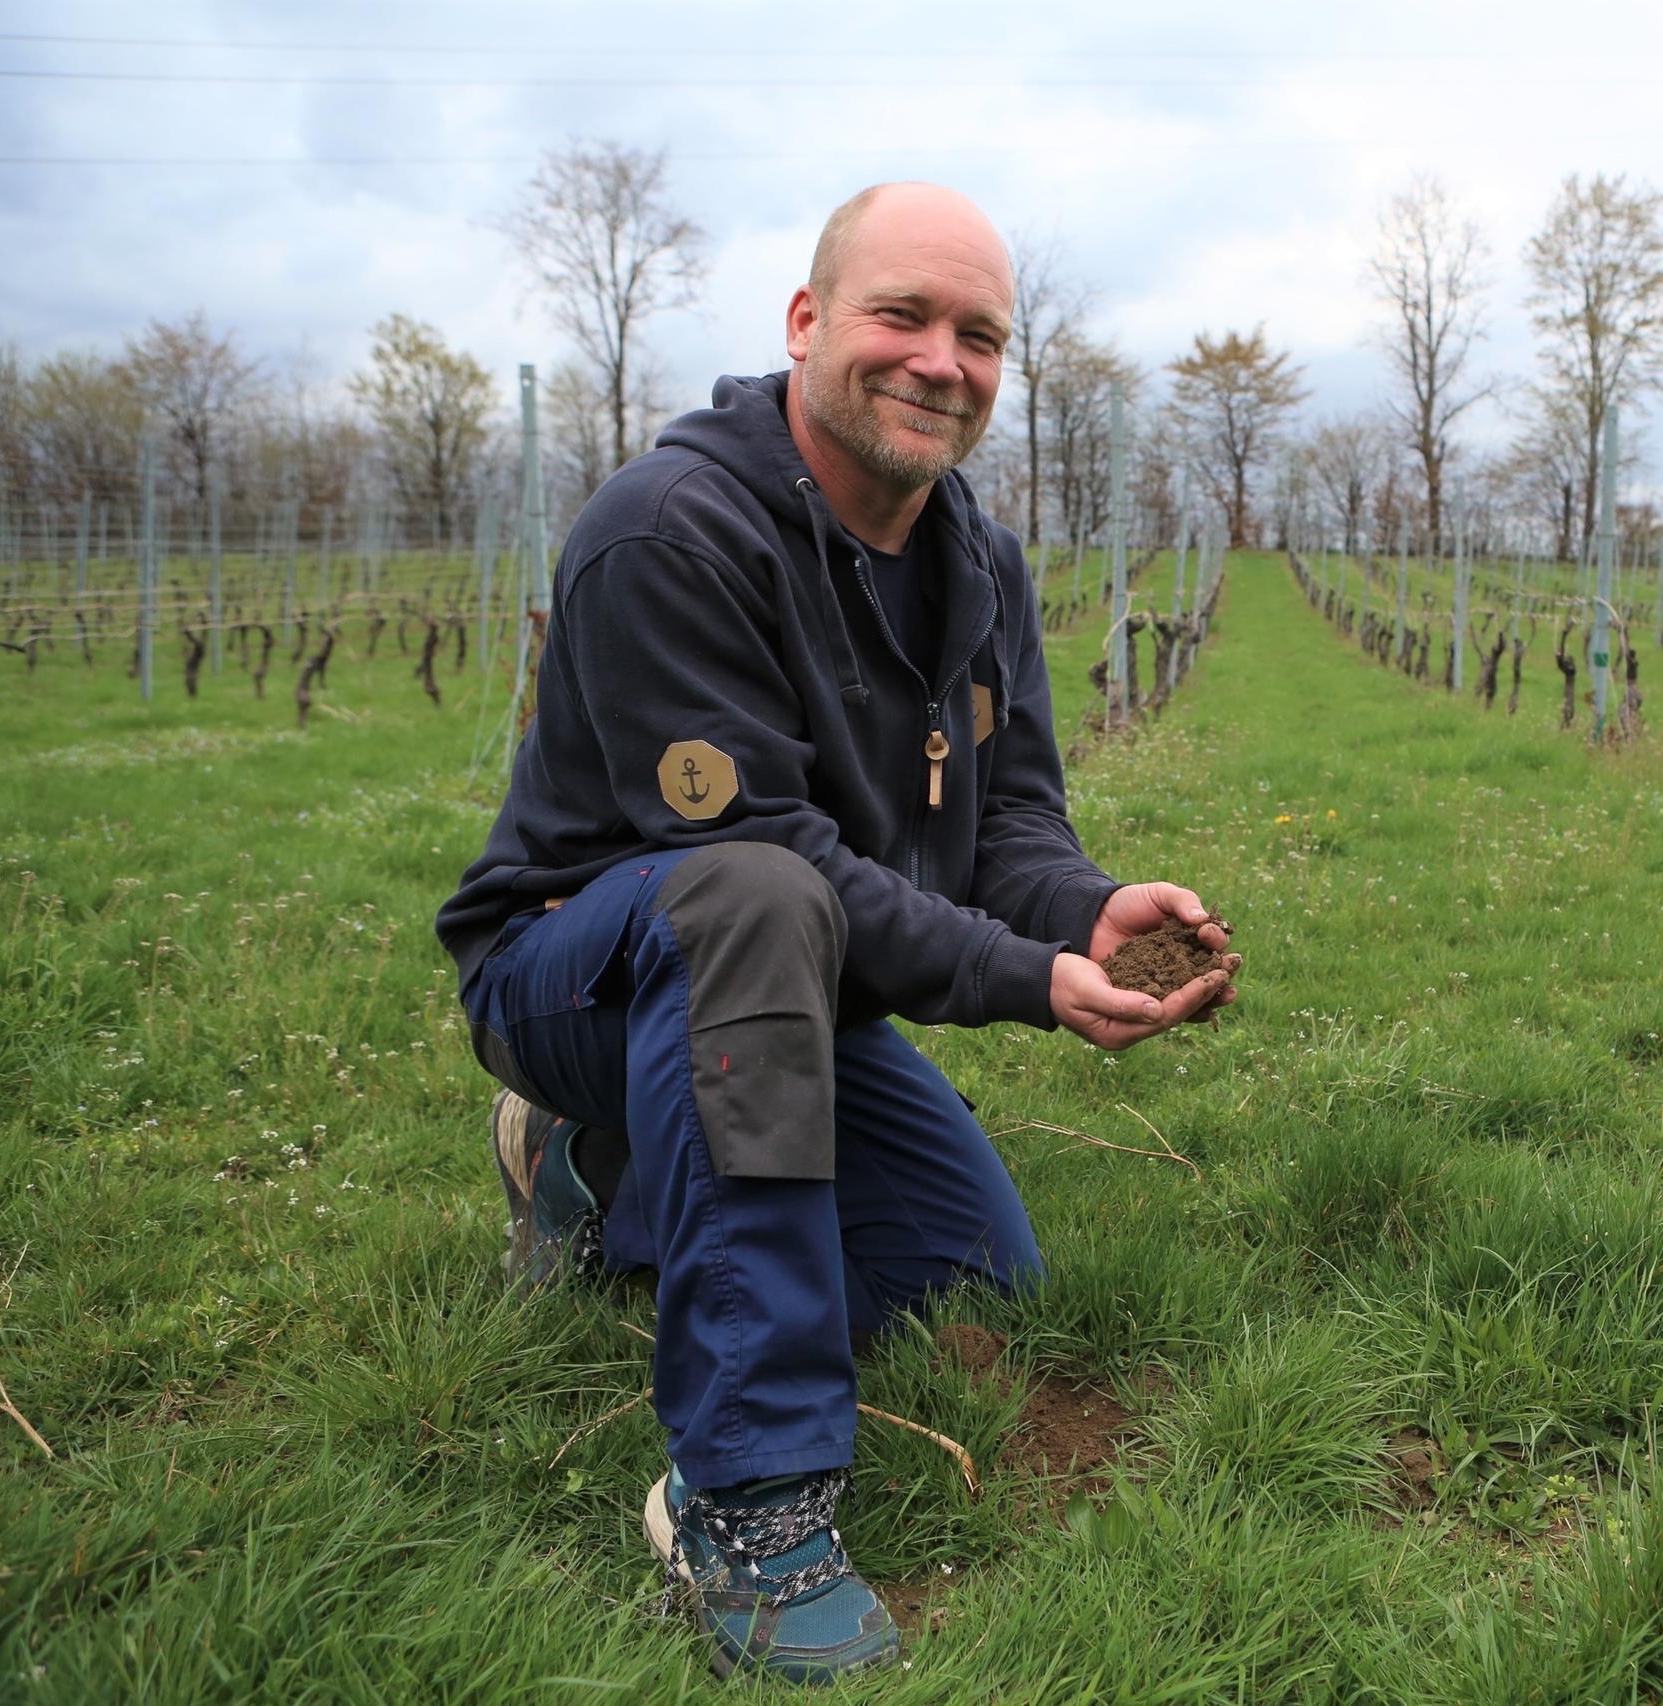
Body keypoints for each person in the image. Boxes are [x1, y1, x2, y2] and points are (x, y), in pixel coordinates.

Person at [435, 182, 1236, 1684]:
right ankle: (744, 1493)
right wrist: (1020, 979)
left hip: (778, 995)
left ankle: (592, 1176)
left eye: (980, 334)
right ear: (807, 325)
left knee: (965, 1278)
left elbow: (1010, 828)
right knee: (750, 888)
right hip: (578, 970)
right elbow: (761, 856)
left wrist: (1086, 909)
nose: (943, 360)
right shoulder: (673, 530)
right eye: (903, 316)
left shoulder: (979, 566)